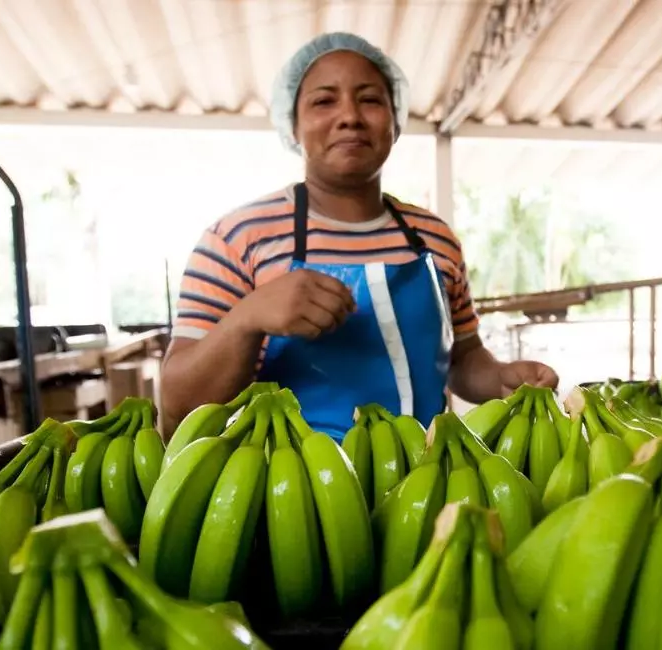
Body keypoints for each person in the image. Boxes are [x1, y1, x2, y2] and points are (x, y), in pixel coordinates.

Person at [159, 33, 559, 436]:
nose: (349, 115)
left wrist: (502, 378)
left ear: (395, 121)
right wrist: (247, 320)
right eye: (323, 101)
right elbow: (178, 402)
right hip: (294, 487)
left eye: (369, 99)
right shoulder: (237, 240)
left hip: (427, 477)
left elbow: (462, 360)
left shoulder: (435, 238)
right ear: (293, 125)